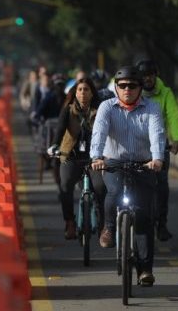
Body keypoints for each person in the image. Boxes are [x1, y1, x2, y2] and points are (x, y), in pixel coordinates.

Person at [90, 66, 166, 286]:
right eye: (122, 86)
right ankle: (110, 227)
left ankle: (145, 270)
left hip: (145, 164)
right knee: (113, 192)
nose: (127, 90)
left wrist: (158, 158)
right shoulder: (106, 107)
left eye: (132, 86)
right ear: (115, 87)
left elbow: (157, 133)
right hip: (113, 162)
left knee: (143, 217)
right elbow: (99, 131)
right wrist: (96, 156)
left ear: (140, 88)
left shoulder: (152, 108)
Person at [47, 77, 106, 239]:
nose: (82, 93)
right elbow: (59, 130)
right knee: (65, 186)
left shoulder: (102, 110)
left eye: (86, 89)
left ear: (92, 93)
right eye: (79, 90)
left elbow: (109, 132)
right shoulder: (68, 109)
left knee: (101, 188)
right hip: (71, 157)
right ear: (75, 93)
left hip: (95, 158)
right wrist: (54, 146)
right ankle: (70, 222)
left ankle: (103, 225)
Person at [136, 60, 178, 241]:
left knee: (161, 185)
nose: (147, 79)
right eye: (143, 75)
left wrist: (176, 138)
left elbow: (173, 115)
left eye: (150, 75)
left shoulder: (166, 93)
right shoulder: (133, 91)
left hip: (160, 146)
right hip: (137, 146)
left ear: (156, 76)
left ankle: (162, 224)